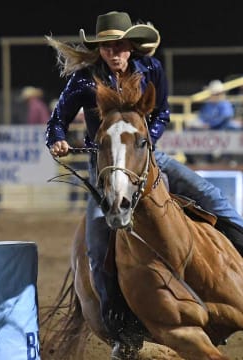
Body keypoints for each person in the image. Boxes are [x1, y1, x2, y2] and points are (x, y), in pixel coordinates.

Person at [45, 10, 243, 338]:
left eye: (120, 46)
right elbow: (57, 119)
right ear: (100, 50)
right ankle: (114, 313)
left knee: (213, 196)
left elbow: (162, 111)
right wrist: (57, 139)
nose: (114, 53)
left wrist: (145, 142)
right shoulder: (83, 80)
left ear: (131, 47)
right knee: (96, 240)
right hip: (105, 165)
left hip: (148, 156)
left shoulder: (150, 69)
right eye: (107, 47)